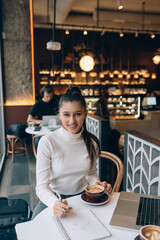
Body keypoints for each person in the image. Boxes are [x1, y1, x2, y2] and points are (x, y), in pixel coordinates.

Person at [32, 86, 112, 219]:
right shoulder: (47, 142)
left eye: (78, 114)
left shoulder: (92, 142)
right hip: (53, 198)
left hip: (83, 199)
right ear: (60, 114)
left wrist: (97, 186)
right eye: (66, 115)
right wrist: (54, 204)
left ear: (85, 114)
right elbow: (41, 187)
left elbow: (91, 174)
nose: (72, 121)